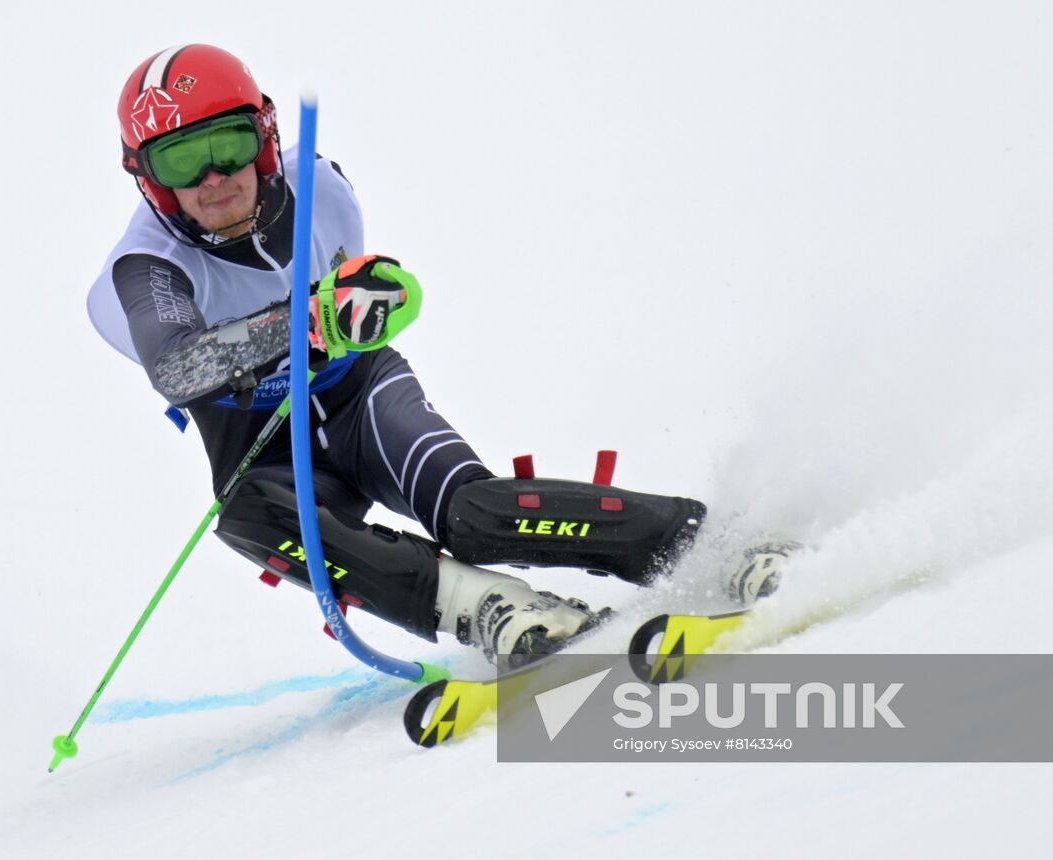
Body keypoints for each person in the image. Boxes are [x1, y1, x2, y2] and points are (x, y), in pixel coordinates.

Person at [87, 44, 770, 667]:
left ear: (263, 140)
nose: (213, 177)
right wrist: (313, 314)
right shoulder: (145, 267)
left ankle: (710, 542)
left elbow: (365, 288)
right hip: (258, 443)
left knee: (472, 513)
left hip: (360, 399)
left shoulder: (320, 187)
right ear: (149, 179)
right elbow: (178, 370)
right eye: (180, 160)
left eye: (229, 145)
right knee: (245, 515)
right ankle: (489, 607)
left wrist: (375, 295)